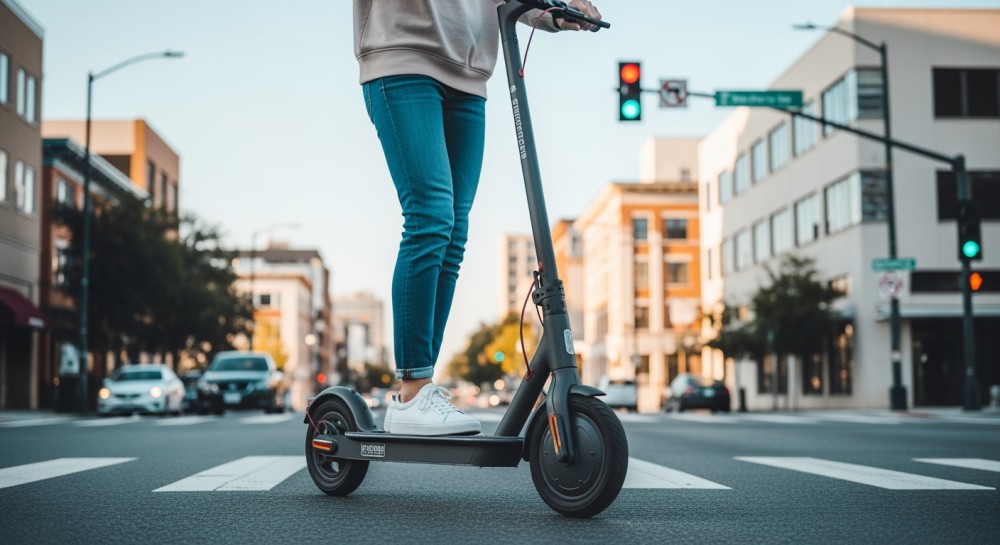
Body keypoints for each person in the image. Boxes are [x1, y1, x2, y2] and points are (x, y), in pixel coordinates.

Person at [353, 0, 602, 435]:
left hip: (469, 78)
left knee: (453, 231)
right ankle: (412, 390)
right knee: (430, 216)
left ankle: (420, 388)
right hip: (402, 59)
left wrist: (556, 11)